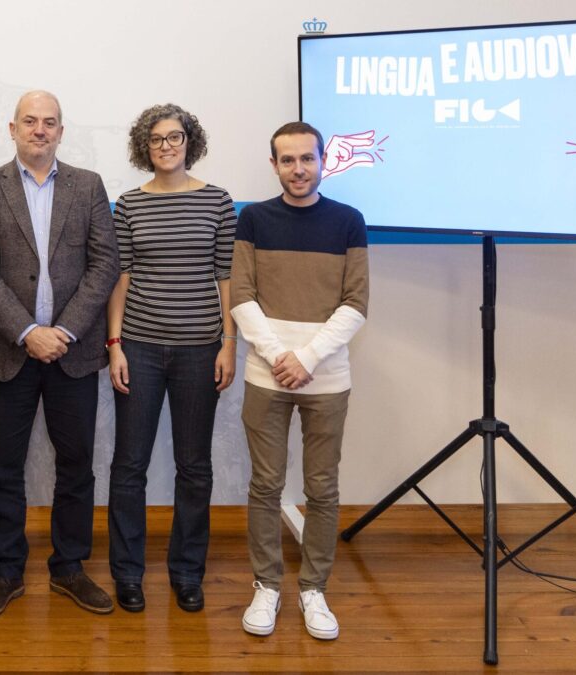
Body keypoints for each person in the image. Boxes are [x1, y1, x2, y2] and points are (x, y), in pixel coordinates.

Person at [0, 90, 119, 620]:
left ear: (60, 131)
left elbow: (105, 266)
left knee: (76, 466)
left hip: (73, 354)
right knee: (4, 468)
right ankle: (6, 571)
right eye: (30, 121)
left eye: (49, 122)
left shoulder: (89, 186)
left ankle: (70, 568)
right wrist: (28, 330)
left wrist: (65, 331)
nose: (40, 130)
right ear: (12, 128)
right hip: (10, 351)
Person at [230, 121, 369, 640]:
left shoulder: (349, 222)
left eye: (306, 159)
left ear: (322, 161)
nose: (297, 169)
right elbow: (241, 297)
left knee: (322, 488)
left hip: (327, 378)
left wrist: (307, 357)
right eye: (286, 160)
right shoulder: (255, 220)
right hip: (267, 375)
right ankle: (267, 586)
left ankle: (314, 590)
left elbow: (356, 304)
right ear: (274, 165)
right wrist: (279, 356)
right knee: (265, 486)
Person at [105, 104, 237, 614]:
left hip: (200, 349)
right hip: (138, 347)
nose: (165, 146)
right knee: (129, 465)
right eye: (156, 139)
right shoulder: (129, 205)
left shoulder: (217, 202)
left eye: (174, 137)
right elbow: (122, 279)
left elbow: (226, 277)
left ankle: (187, 573)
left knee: (194, 466)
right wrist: (114, 345)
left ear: (189, 141)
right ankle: (128, 574)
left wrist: (228, 342)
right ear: (145, 146)